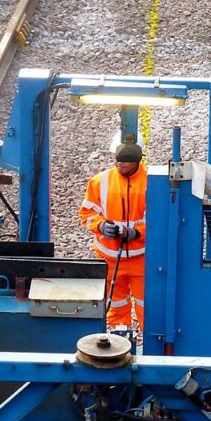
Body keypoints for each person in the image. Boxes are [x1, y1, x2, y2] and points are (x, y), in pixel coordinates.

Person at [78, 133, 147, 329]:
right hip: (109, 258)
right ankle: (119, 342)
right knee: (115, 307)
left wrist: (136, 233)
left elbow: (158, 219)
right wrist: (100, 226)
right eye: (116, 157)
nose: (118, 162)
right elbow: (87, 213)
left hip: (141, 260)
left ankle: (153, 352)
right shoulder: (99, 182)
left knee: (148, 309)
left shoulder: (151, 183)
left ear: (137, 158)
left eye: (124, 158)